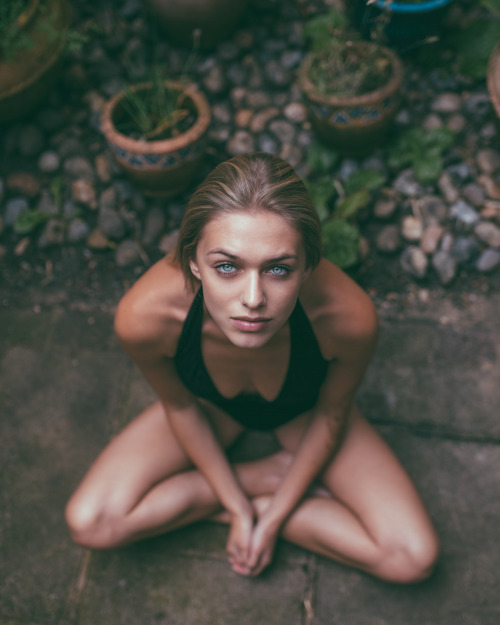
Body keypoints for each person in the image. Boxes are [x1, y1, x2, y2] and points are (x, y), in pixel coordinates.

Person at [65, 152, 439, 580]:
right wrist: (236, 505)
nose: (253, 298)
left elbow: (333, 412)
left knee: (412, 558)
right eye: (226, 267)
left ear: (308, 267)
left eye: (278, 269)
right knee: (91, 523)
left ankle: (265, 492)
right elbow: (181, 407)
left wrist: (274, 517)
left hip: (304, 414)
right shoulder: (145, 318)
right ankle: (263, 475)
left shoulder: (347, 319)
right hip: (209, 410)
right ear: (193, 261)